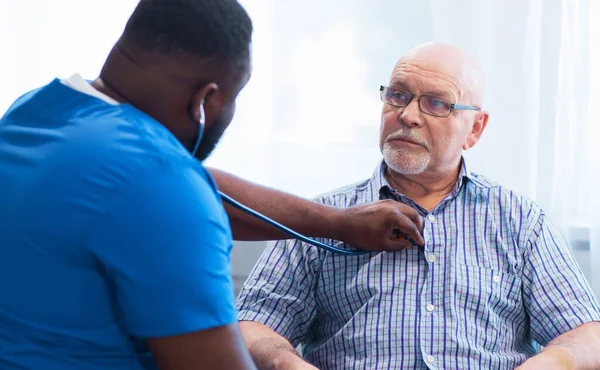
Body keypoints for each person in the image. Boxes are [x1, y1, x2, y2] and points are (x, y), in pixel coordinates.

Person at [0, 1, 426, 369]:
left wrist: (337, 222)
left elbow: (195, 186)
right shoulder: (158, 186)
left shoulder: (36, 113)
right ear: (205, 100)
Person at [236, 42, 600, 370]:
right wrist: (284, 363)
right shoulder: (325, 217)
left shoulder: (520, 220)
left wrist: (553, 363)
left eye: (437, 103)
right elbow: (253, 323)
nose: (408, 115)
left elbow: (586, 334)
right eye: (398, 95)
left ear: (475, 129)